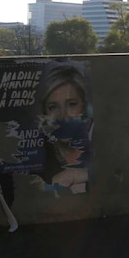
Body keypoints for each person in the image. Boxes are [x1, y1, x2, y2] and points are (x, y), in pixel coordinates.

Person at [35, 61, 93, 192]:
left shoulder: (96, 145)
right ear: (45, 112)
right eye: (53, 107)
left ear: (83, 107)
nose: (63, 115)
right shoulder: (39, 157)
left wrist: (84, 174)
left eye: (71, 104)